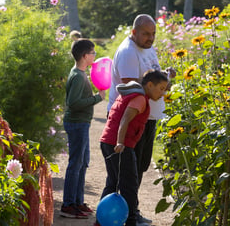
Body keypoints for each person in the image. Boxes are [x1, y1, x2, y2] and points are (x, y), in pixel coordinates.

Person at [107, 14, 176, 224]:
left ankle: (129, 212)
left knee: (141, 167)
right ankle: (124, 215)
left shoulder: (147, 48)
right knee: (128, 172)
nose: (150, 37)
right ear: (134, 32)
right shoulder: (129, 52)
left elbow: (150, 81)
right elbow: (133, 90)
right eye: (146, 33)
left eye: (153, 33)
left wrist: (164, 78)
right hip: (133, 119)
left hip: (148, 117)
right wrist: (159, 85)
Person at [97, 69, 169, 226]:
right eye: (161, 88)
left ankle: (101, 221)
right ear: (150, 85)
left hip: (108, 141)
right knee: (129, 183)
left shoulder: (130, 94)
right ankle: (131, 221)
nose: (163, 93)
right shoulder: (140, 99)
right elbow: (124, 120)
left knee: (114, 181)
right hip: (119, 145)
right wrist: (120, 142)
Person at [61, 39, 106, 219]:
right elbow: (73, 103)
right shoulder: (78, 76)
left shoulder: (81, 73)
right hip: (77, 123)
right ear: (85, 56)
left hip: (82, 124)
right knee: (75, 164)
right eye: (93, 53)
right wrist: (97, 98)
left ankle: (77, 201)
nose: (95, 56)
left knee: (83, 162)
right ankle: (68, 205)